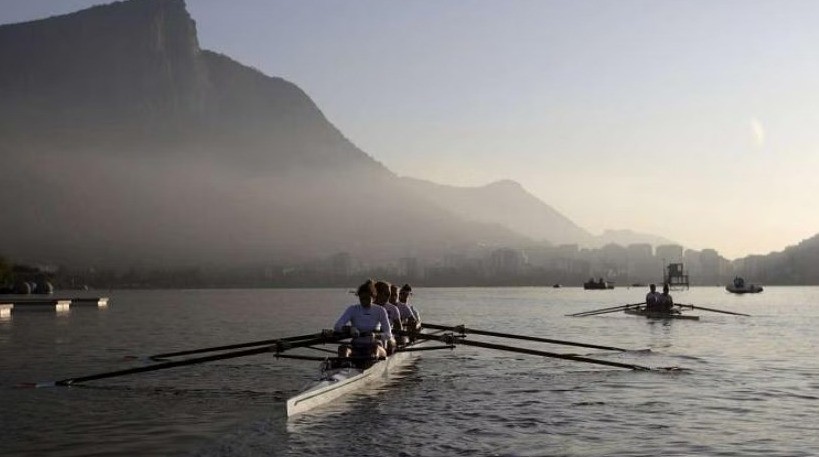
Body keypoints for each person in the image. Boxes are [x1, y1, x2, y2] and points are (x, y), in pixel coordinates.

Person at [334, 279, 392, 360]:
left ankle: (370, 364)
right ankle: (344, 364)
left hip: (375, 346)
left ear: (373, 297)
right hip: (356, 347)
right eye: (362, 299)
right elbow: (337, 326)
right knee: (343, 349)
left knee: (374, 350)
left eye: (367, 298)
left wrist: (376, 335)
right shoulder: (352, 309)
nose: (364, 301)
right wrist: (351, 329)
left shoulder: (380, 310)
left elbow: (388, 335)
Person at [373, 280, 402, 353]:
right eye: (386, 294)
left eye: (389, 294)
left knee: (385, 341)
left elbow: (399, 328)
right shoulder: (368, 307)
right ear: (377, 294)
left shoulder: (393, 308)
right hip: (371, 336)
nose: (389, 297)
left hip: (389, 337)